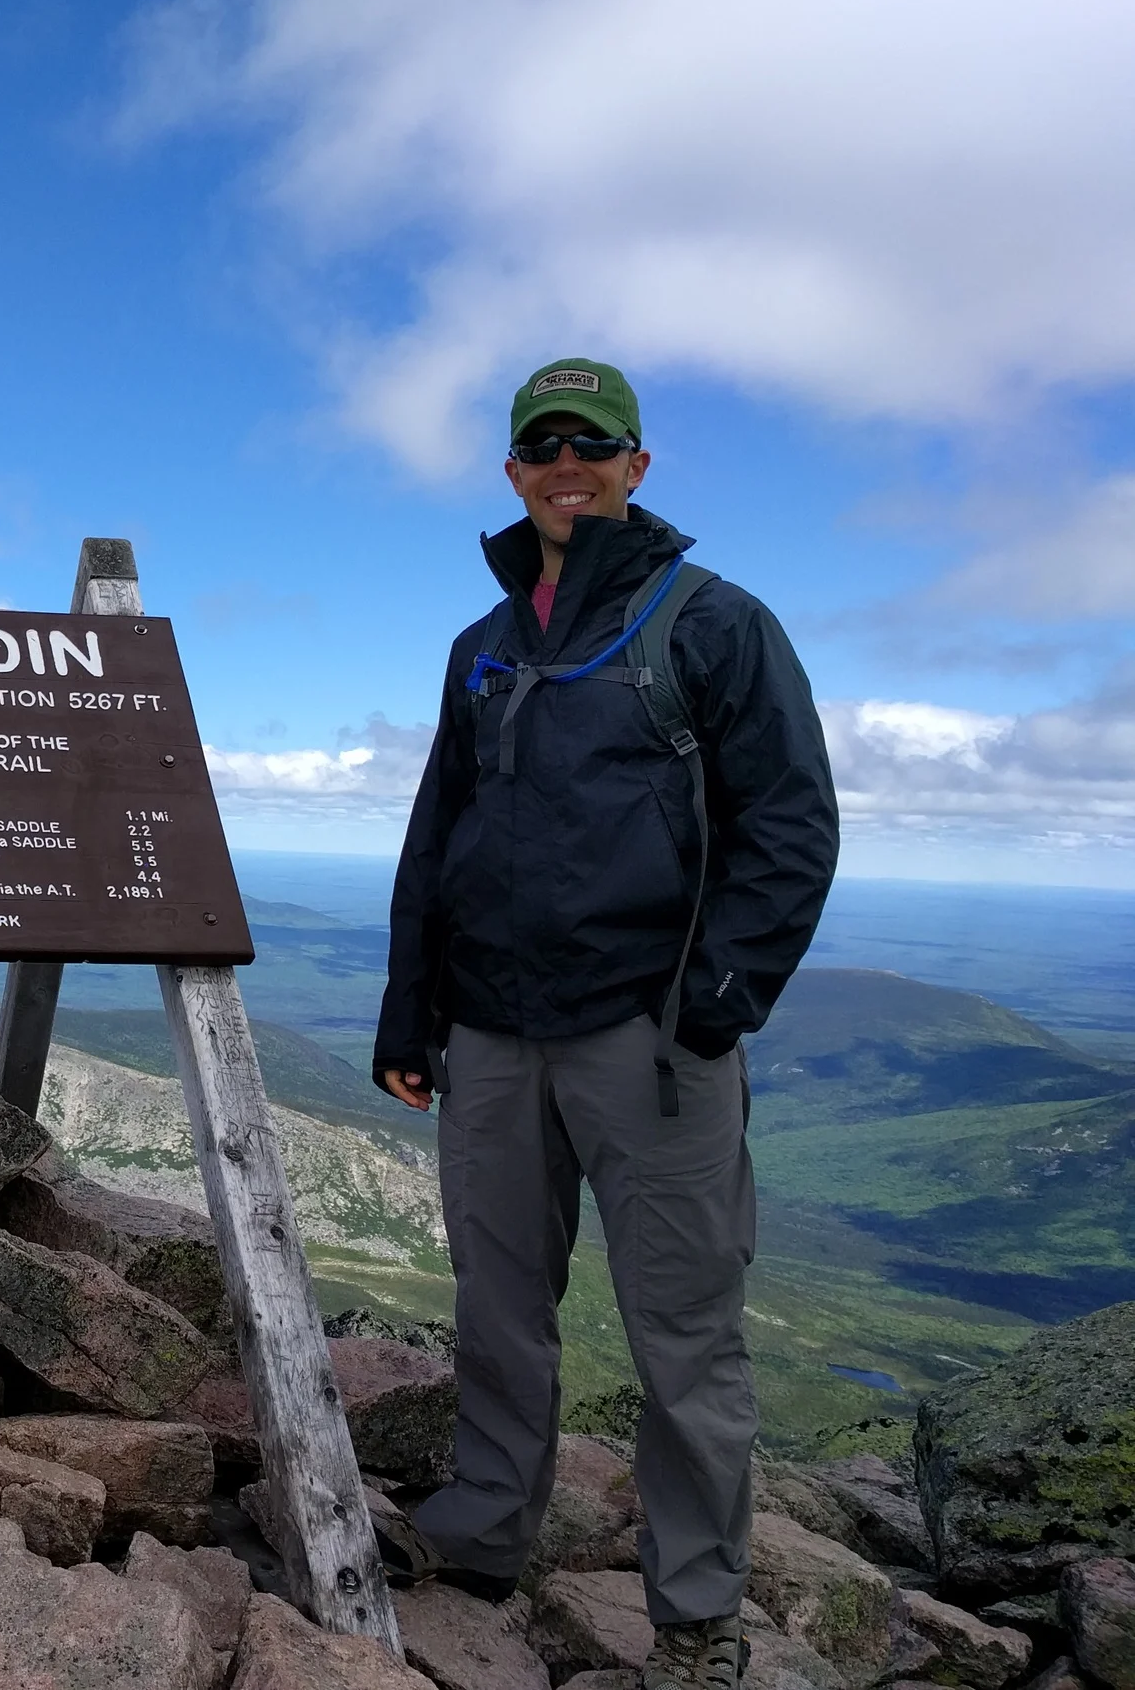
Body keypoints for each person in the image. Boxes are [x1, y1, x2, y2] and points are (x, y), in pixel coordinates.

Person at [373, 359, 837, 1690]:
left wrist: (716, 1004)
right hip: (491, 1034)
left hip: (651, 1040)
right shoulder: (482, 645)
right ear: (512, 470)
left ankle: (694, 1614)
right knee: (497, 1303)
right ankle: (481, 1530)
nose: (565, 463)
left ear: (637, 463)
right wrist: (410, 1007)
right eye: (542, 445)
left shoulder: (715, 623)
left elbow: (791, 822)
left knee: (683, 1330)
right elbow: (436, 837)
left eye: (592, 442)